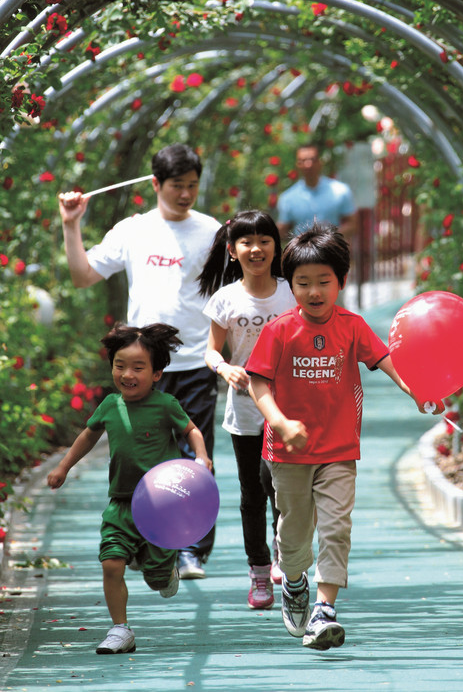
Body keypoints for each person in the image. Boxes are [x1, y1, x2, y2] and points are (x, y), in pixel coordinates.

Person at [246, 223, 441, 651]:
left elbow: (386, 360)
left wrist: (415, 391)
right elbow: (257, 384)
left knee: (336, 528)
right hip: (288, 453)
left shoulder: (352, 326)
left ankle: (324, 609)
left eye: (323, 282)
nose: (314, 292)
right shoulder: (279, 330)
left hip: (338, 450)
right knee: (294, 533)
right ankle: (294, 582)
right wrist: (279, 422)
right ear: (290, 284)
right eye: (302, 283)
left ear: (341, 282)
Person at [58, 143, 220, 581]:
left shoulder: (212, 232)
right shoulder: (133, 231)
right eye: (176, 186)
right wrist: (71, 226)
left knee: (195, 455)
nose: (185, 194)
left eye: (192, 186)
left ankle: (190, 549)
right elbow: (82, 275)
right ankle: (147, 540)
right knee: (139, 456)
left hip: (195, 361)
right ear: (155, 184)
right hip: (142, 370)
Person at [47, 322, 211, 655]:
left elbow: (192, 430)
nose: (127, 374)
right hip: (121, 504)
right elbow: (88, 436)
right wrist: (63, 466)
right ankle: (120, 629)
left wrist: (202, 457)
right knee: (111, 563)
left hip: (160, 509)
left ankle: (162, 570)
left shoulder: (165, 405)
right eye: (120, 365)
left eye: (138, 367)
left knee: (157, 578)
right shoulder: (110, 405)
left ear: (156, 374)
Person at [198, 210, 296, 610]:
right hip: (245, 413)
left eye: (264, 240)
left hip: (289, 411)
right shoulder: (226, 298)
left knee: (283, 490)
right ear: (232, 251)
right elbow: (210, 350)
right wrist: (224, 367)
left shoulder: (293, 293)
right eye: (246, 242)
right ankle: (258, 571)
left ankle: (282, 555)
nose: (256, 248)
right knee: (252, 491)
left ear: (277, 246)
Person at [276, 142, 358, 241]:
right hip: (302, 254)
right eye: (303, 160)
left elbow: (352, 224)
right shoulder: (288, 198)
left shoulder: (340, 191)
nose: (308, 165)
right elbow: (282, 230)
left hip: (332, 252)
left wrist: (328, 239)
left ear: (320, 162)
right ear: (297, 164)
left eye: (312, 159)